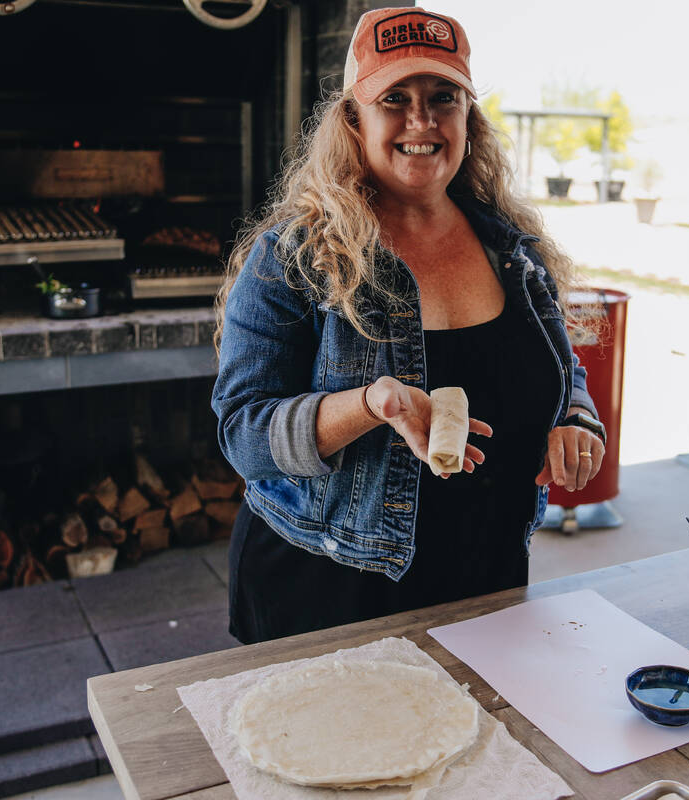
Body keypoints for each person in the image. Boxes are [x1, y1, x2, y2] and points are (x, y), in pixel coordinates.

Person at [211, 6, 605, 644]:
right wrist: (371, 404)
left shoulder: (515, 251)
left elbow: (563, 368)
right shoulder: (295, 256)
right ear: (353, 119)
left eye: (442, 98)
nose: (421, 121)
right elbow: (243, 436)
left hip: (489, 576)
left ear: (467, 120)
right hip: (334, 586)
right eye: (394, 98)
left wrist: (576, 418)